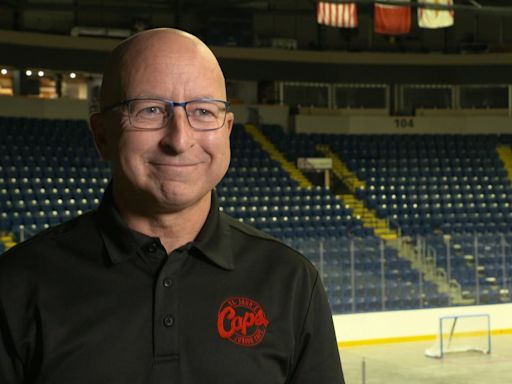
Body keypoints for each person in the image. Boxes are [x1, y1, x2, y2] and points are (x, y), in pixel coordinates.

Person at [0, 28, 345, 383]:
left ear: (227, 129)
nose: (179, 139)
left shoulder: (292, 282)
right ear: (102, 135)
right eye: (149, 110)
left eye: (203, 111)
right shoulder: (16, 285)